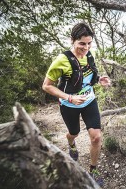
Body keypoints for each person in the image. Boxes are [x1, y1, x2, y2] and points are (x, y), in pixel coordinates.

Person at [42, 22, 110, 186]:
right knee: (74, 132)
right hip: (69, 105)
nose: (86, 47)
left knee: (96, 138)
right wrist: (69, 98)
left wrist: (99, 79)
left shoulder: (88, 55)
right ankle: (71, 142)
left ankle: (92, 170)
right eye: (82, 43)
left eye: (89, 43)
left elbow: (86, 77)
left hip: (89, 101)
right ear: (72, 40)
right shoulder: (62, 60)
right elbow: (46, 85)